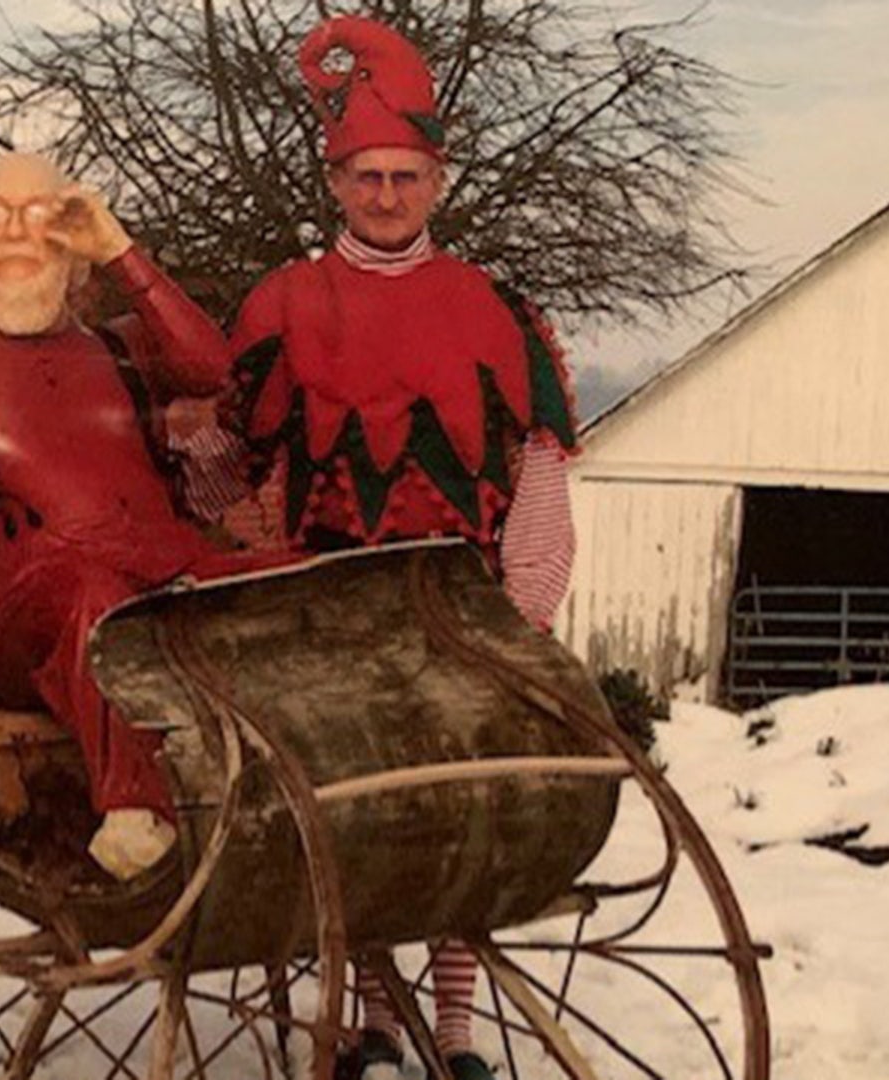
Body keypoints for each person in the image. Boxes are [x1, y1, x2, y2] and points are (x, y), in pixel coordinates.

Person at [220, 17, 581, 1080]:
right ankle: (378, 1018)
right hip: (325, 607)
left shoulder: (497, 311)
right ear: (336, 183)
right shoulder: (284, 303)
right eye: (368, 177)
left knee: (469, 807)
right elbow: (231, 470)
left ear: (438, 181)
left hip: (458, 606)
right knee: (364, 814)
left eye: (406, 176)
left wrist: (523, 615)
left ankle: (455, 1029)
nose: (386, 196)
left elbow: (541, 472)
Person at [0, 152, 269, 881]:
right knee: (91, 597)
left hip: (164, 575)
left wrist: (121, 253)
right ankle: (135, 812)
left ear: (74, 246)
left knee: (285, 579)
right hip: (33, 606)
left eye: (41, 214)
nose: (17, 231)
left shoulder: (122, 346)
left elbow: (215, 372)